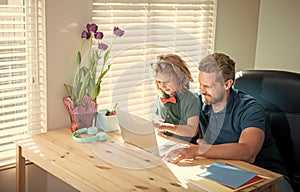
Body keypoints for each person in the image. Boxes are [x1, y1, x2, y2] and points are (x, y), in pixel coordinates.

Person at [165, 52, 293, 191]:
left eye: (207, 86)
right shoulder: (200, 102)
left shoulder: (251, 109)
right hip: (226, 170)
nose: (202, 91)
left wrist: (198, 150)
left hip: (267, 178)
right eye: (200, 84)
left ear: (227, 84)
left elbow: (248, 152)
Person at [151, 54, 200, 144]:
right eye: (158, 81)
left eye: (166, 81)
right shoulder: (160, 98)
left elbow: (192, 130)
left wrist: (165, 126)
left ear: (180, 77)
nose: (162, 85)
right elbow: (157, 117)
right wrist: (156, 123)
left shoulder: (191, 100)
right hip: (167, 141)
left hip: (186, 146)